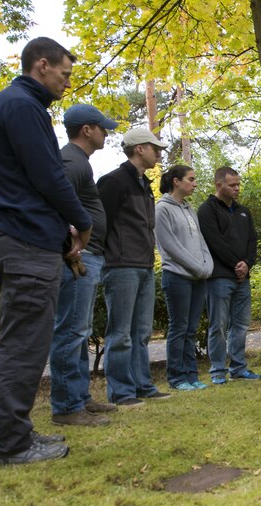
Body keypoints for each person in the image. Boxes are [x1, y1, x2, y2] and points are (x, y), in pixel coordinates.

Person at [0, 37, 92, 467]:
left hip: (20, 235)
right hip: (23, 241)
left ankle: (8, 434)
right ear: (41, 65)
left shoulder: (14, 105)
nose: (66, 82)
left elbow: (29, 179)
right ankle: (7, 446)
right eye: (64, 73)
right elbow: (48, 175)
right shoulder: (23, 107)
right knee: (24, 344)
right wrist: (81, 220)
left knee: (21, 341)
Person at [49, 104, 120, 427]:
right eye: (102, 127)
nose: (106, 133)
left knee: (79, 330)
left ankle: (79, 398)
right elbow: (53, 202)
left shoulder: (80, 162)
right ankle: (66, 406)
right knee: (70, 330)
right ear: (87, 130)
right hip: (80, 257)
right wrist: (70, 241)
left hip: (88, 255)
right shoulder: (70, 161)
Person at [97, 128, 172, 406]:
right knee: (120, 333)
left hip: (143, 265)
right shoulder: (113, 182)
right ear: (139, 149)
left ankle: (142, 386)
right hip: (120, 266)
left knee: (141, 332)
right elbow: (99, 224)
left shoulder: (143, 184)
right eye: (155, 148)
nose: (159, 153)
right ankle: (121, 392)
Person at [198, 166, 261, 384]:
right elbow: (214, 242)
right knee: (219, 325)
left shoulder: (244, 211)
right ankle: (217, 370)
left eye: (238, 184)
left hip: (243, 279)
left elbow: (252, 241)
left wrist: (248, 265)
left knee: (241, 325)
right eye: (232, 185)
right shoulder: (207, 210)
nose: (237, 188)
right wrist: (237, 264)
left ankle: (238, 367)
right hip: (219, 277)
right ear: (219, 185)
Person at [155, 165, 213, 390]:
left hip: (199, 277)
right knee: (178, 328)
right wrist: (198, 268)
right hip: (177, 277)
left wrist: (207, 265)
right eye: (191, 179)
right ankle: (176, 378)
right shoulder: (162, 209)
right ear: (176, 182)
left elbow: (200, 242)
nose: (195, 183)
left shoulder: (189, 209)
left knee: (191, 329)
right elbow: (170, 247)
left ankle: (192, 375)